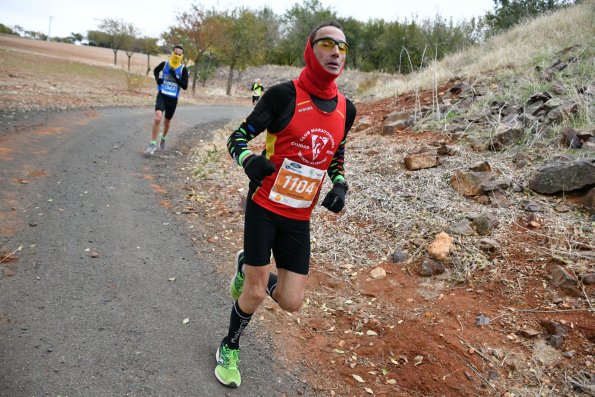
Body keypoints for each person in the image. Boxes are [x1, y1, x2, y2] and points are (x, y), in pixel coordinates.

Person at [215, 21, 356, 388]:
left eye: (342, 47)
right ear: (311, 50)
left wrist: (340, 185)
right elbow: (237, 137)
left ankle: (247, 266)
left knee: (292, 301)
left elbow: (336, 153)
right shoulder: (282, 96)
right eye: (327, 44)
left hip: (299, 217)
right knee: (256, 292)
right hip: (264, 206)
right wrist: (249, 160)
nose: (336, 52)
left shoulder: (347, 109)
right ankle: (230, 346)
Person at [144, 45, 189, 156]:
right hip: (162, 95)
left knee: (167, 122)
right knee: (158, 117)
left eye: (179, 54)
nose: (177, 56)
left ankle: (163, 137)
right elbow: (155, 71)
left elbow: (185, 86)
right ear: (172, 53)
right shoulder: (165, 64)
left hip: (172, 99)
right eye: (176, 53)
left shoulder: (183, 69)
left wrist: (176, 77)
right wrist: (157, 79)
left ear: (182, 56)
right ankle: (152, 144)